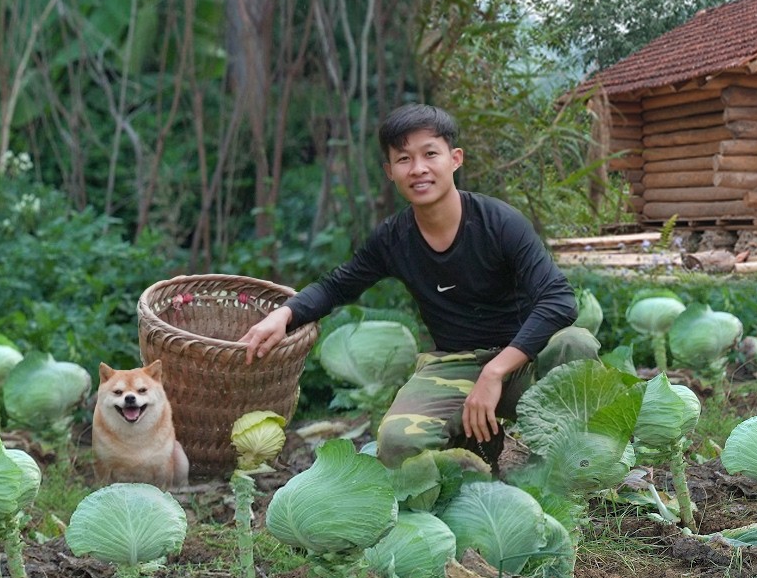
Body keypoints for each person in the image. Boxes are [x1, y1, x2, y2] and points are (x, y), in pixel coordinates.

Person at [241, 103, 599, 468]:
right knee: (398, 444)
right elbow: (337, 286)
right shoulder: (393, 239)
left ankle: (567, 465)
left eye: (430, 154)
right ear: (390, 172)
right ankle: (476, 446)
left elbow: (559, 300)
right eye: (403, 159)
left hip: (524, 363)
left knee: (575, 342)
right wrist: (283, 315)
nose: (418, 169)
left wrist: (495, 371)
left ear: (455, 158)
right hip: (455, 366)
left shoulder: (499, 222)